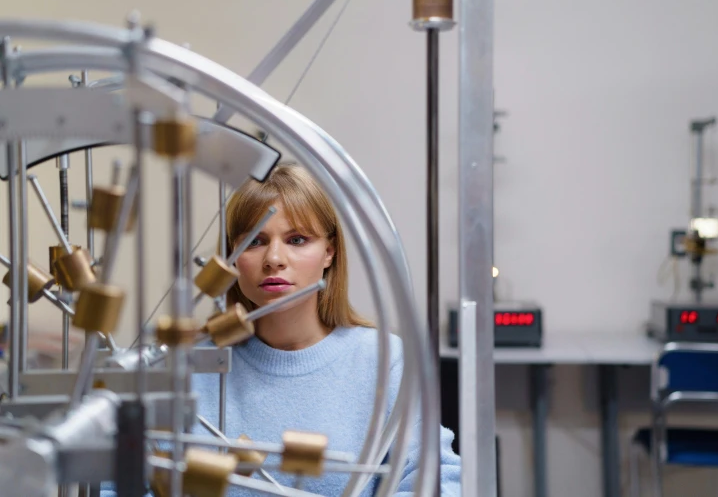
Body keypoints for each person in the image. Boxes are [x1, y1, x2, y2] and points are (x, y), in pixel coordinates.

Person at [102, 163, 461, 497]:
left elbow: (436, 481)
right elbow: (118, 484)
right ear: (231, 260)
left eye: (297, 239)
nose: (274, 258)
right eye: (255, 241)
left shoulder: (383, 361)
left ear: (329, 253)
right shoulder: (186, 365)